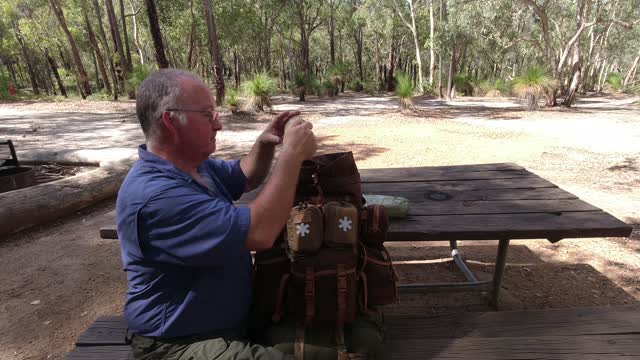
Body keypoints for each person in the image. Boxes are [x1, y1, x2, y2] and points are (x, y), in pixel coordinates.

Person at [116, 68, 317, 359]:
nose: (218, 124)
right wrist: (292, 156)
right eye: (208, 114)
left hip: (228, 324)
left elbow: (245, 176)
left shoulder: (191, 165)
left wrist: (264, 143)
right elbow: (260, 231)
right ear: (171, 122)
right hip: (177, 342)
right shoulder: (158, 196)